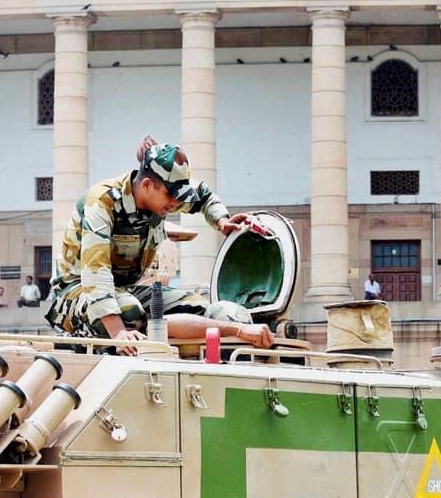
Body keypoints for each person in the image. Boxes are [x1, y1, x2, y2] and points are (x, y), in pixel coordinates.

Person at [43, 139, 275, 355]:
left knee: (201, 309)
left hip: (125, 290)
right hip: (76, 292)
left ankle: (163, 332)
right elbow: (96, 272)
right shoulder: (102, 201)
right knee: (130, 315)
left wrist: (222, 221)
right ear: (146, 185)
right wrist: (118, 333)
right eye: (171, 196)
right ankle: (96, 340)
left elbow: (203, 196)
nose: (175, 203)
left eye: (179, 196)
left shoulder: (163, 194)